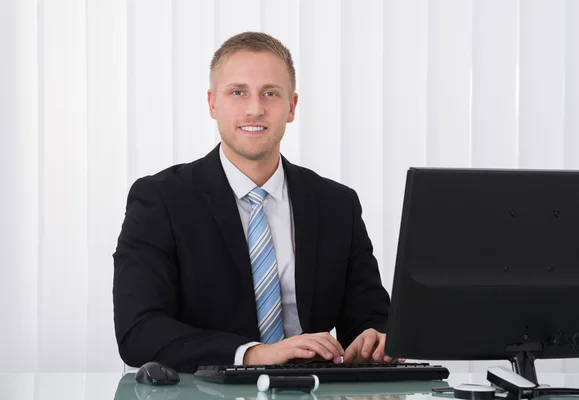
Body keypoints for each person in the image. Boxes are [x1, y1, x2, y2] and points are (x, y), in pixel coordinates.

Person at [113, 31, 392, 373]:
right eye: (238, 92)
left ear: (291, 107)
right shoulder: (161, 200)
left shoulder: (337, 204)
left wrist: (374, 338)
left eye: (270, 94)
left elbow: (370, 318)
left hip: (312, 391)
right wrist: (253, 354)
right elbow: (138, 331)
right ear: (212, 103)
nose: (255, 109)